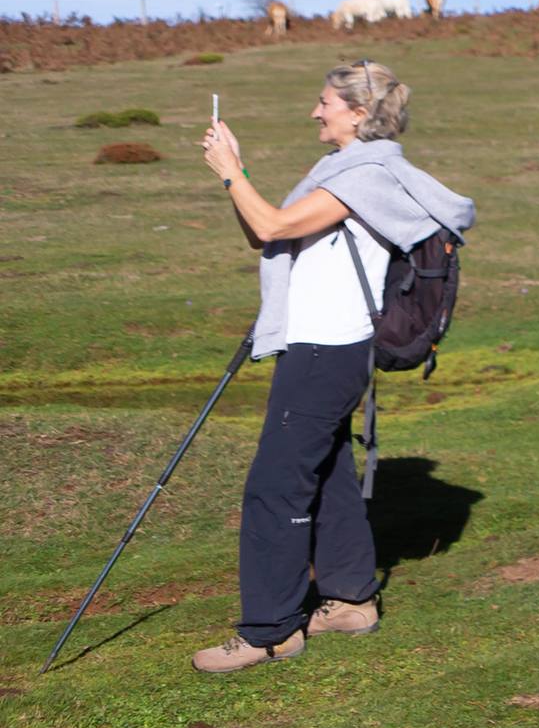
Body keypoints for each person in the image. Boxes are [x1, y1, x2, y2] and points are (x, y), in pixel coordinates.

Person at [189, 60, 476, 674]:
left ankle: (271, 629)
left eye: (324, 102)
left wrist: (233, 170)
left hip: (327, 349)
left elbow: (270, 223)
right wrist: (233, 177)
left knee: (275, 485)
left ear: (359, 112)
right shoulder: (344, 171)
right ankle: (349, 599)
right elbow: (267, 238)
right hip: (323, 346)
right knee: (326, 475)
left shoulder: (367, 175)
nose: (315, 111)